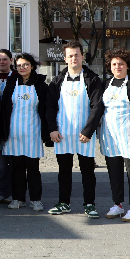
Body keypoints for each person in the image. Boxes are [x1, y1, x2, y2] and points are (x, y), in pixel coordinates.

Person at [46, 40, 104, 218]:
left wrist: (88, 131)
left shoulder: (92, 79)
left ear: (82, 56)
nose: (73, 58)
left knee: (87, 171)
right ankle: (64, 203)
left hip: (83, 135)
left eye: (76, 55)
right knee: (64, 171)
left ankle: (89, 204)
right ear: (65, 58)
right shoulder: (57, 81)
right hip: (62, 134)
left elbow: (97, 107)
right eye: (70, 55)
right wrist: (52, 129)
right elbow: (49, 108)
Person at [100, 47, 130, 222]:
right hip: (110, 135)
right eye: (114, 64)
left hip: (129, 135)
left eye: (121, 64)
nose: (117, 67)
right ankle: (118, 205)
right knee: (114, 171)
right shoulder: (106, 84)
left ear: (128, 66)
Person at [1, 53, 50, 212]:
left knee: (33, 168)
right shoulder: (11, 83)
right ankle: (18, 199)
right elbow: (4, 108)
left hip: (32, 131)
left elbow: (45, 109)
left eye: (26, 64)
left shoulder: (41, 84)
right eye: (19, 65)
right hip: (14, 132)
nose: (22, 68)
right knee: (16, 168)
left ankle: (36, 200)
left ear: (32, 66)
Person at [0, 49, 15, 204]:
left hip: (13, 126)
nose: (2, 62)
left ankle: (14, 193)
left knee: (13, 163)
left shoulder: (18, 77)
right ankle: (1, 191)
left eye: (5, 59)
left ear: (11, 60)